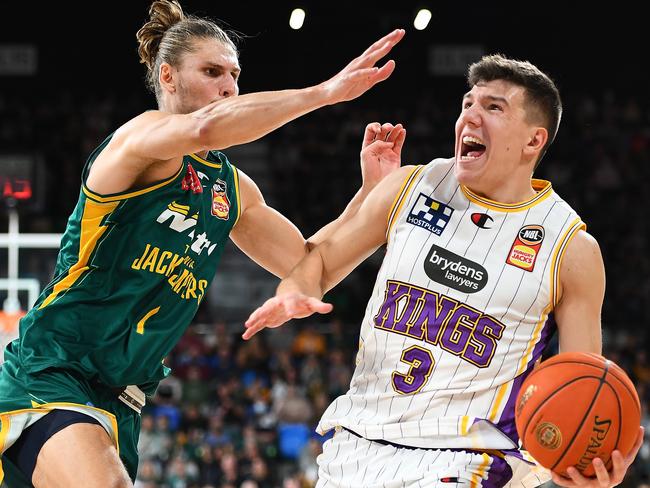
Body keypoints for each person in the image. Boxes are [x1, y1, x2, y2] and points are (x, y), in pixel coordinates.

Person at [0, 0, 406, 486]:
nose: (229, 87)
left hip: (122, 400)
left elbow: (309, 264)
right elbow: (205, 126)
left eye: (234, 75)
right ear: (167, 77)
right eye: (212, 71)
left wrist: (370, 197)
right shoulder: (139, 140)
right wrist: (323, 93)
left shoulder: (230, 189)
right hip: (51, 369)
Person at [243, 54, 645, 487]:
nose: (470, 115)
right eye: (467, 104)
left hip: (469, 458)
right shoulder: (410, 186)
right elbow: (318, 260)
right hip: (358, 444)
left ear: (533, 142)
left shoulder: (570, 248)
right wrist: (293, 289)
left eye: (493, 107)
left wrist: (582, 462)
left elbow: (582, 384)